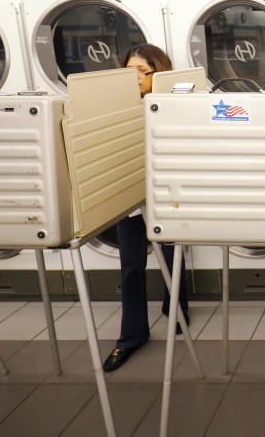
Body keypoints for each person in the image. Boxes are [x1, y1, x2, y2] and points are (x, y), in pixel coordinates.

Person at [103, 44, 190, 372]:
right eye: (130, 71)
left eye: (144, 71)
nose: (137, 77)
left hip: (163, 195)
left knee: (173, 257)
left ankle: (176, 310)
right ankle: (131, 335)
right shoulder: (114, 109)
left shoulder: (174, 105)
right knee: (131, 268)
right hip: (129, 197)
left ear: (160, 74)